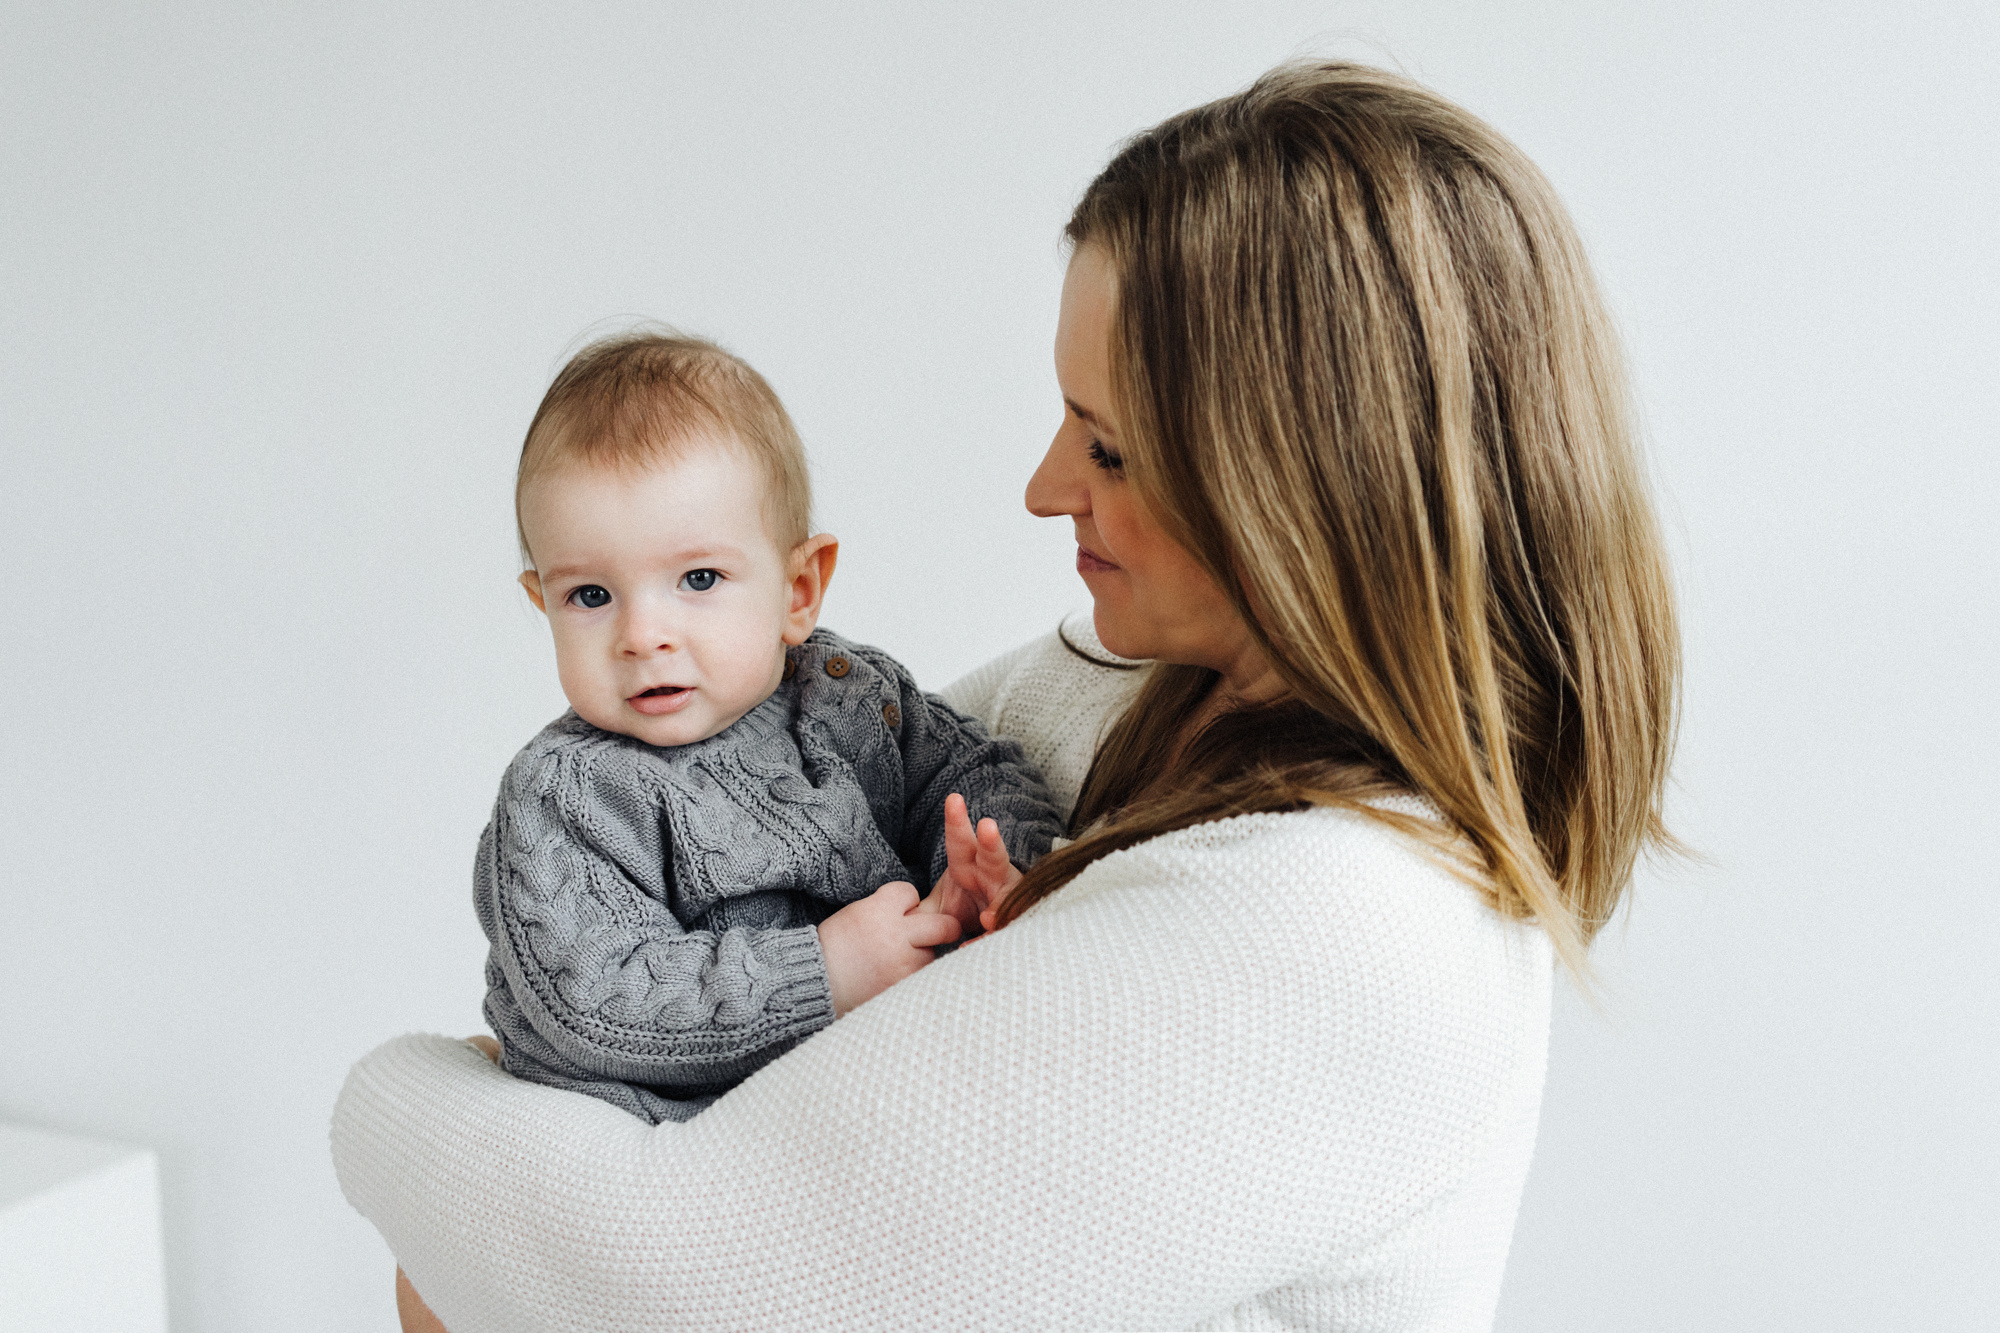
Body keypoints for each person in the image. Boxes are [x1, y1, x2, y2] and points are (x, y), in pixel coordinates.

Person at [334, 60, 1680, 1332]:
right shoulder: (1102, 692)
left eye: (1107, 444)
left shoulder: (1338, 925)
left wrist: (389, 1101)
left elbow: (662, 1289)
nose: (1043, 485)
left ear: (1310, 493)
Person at [480, 332, 1062, 1123]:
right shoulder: (566, 794)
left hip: (849, 1099)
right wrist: (825, 970)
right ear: (541, 600)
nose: (642, 634)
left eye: (698, 579)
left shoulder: (848, 697)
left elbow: (980, 772)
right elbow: (595, 1002)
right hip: (652, 1139)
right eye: (590, 595)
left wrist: (991, 868)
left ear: (798, 589)